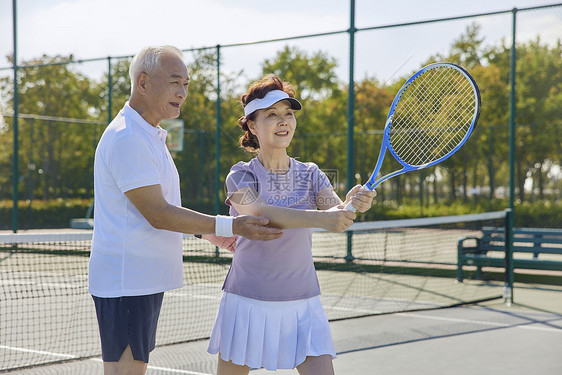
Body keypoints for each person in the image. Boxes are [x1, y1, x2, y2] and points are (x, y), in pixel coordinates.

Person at [88, 45, 283, 375]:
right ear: (144, 83)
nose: (182, 93)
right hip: (127, 284)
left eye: (186, 85)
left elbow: (165, 207)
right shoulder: (128, 138)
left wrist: (208, 233)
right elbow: (158, 213)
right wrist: (232, 227)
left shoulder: (149, 135)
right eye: (175, 82)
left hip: (142, 281)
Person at [207, 74, 375, 374]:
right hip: (247, 301)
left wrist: (353, 203)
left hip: (303, 303)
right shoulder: (240, 176)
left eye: (288, 114)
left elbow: (336, 212)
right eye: (272, 115)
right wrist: (324, 219)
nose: (283, 121)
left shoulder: (311, 174)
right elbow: (258, 213)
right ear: (253, 126)